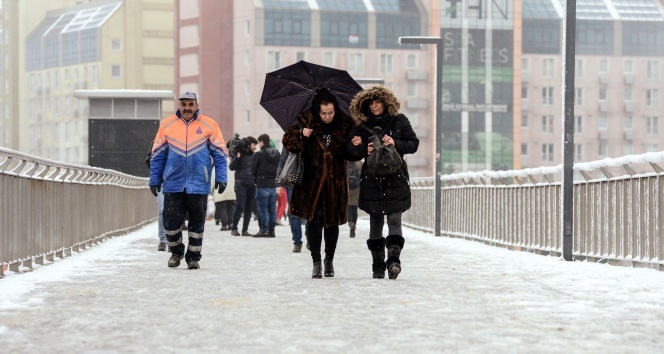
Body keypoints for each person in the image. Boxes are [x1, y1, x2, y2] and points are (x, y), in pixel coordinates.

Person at [346, 85, 419, 280]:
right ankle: (377, 265)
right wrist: (363, 148)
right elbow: (348, 152)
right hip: (372, 180)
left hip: (396, 177)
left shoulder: (399, 120)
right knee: (375, 221)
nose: (375, 105)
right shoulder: (360, 126)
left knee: (395, 219)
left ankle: (394, 262)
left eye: (378, 101)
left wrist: (395, 142)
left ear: (386, 103)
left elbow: (413, 144)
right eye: (371, 103)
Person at [149, 91, 228, 270]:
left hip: (199, 183)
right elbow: (158, 155)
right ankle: (176, 252)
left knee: (197, 222)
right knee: (170, 221)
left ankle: (193, 257)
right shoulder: (167, 125)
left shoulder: (210, 125)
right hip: (172, 182)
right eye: (184, 104)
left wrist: (222, 177)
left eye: (191, 104)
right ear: (179, 106)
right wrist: (154, 179)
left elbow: (221, 154)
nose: (187, 108)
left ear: (197, 106)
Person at [282, 89, 355, 278]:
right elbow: (288, 142)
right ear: (317, 110)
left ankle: (329, 260)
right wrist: (301, 134)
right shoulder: (305, 119)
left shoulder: (346, 123)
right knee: (314, 223)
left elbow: (353, 152)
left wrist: (357, 143)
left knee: (332, 224)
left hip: (335, 182)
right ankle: (316, 261)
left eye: (331, 112)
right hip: (311, 182)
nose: (328, 116)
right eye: (324, 113)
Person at [275, 145, 306, 252]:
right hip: (299, 181)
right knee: (298, 213)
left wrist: (279, 182)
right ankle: (299, 241)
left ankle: (299, 242)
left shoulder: (290, 141)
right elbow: (282, 162)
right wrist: (279, 182)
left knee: (298, 214)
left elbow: (282, 162)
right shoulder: (291, 141)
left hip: (296, 180)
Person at [251, 134, 280, 237]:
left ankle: (264, 230)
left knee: (263, 209)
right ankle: (272, 230)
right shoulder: (277, 154)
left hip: (262, 184)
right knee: (272, 208)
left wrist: (256, 179)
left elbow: (253, 170)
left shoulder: (258, 155)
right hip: (273, 185)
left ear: (262, 142)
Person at [229, 136, 258, 236]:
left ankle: (245, 230)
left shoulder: (254, 156)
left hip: (252, 184)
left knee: (249, 208)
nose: (255, 147)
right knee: (240, 206)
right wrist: (237, 157)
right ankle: (234, 228)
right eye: (254, 145)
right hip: (241, 184)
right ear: (248, 145)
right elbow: (231, 167)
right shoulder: (239, 154)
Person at [145, 141, 167, 251]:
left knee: (175, 211)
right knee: (162, 209)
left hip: (176, 180)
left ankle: (173, 240)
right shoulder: (158, 141)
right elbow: (149, 160)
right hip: (162, 181)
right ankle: (163, 240)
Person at [213, 165, 235, 231]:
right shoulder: (232, 165)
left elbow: (213, 179)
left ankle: (224, 225)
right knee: (231, 207)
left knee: (222, 208)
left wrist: (211, 190)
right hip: (231, 190)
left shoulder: (216, 166)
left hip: (220, 190)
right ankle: (231, 223)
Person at [347, 160, 362, 238]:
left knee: (348, 208)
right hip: (356, 189)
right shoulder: (359, 163)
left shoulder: (345, 162)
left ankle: (351, 223)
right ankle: (354, 225)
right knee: (354, 209)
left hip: (347, 188)